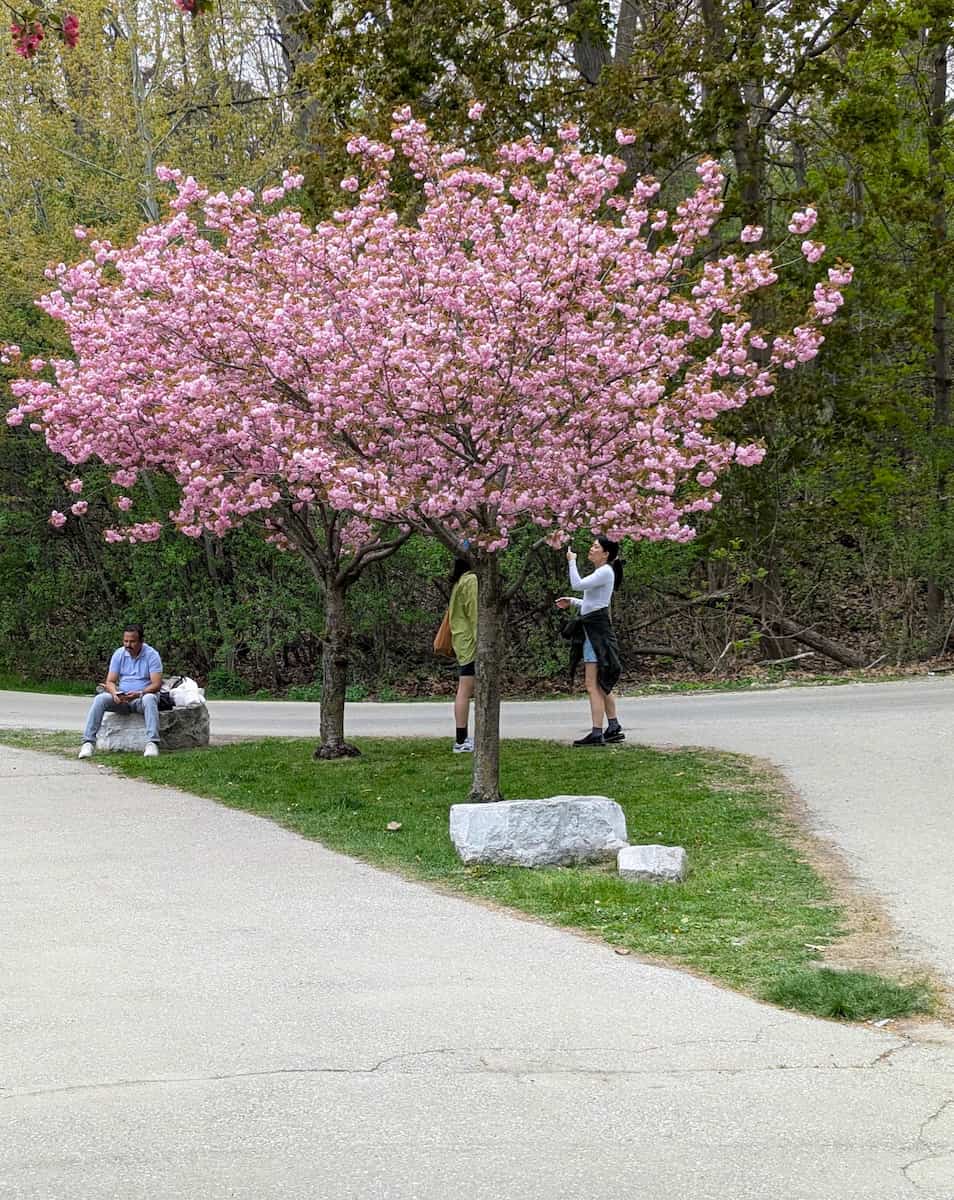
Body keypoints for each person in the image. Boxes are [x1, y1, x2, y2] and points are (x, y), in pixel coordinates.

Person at [556, 537, 624, 746]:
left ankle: (596, 732)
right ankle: (612, 726)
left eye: (596, 547)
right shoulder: (602, 572)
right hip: (594, 628)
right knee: (601, 684)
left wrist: (571, 560)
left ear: (606, 554)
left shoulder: (604, 571)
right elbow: (594, 603)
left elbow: (577, 584)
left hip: (595, 632)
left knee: (592, 684)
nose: (591, 549)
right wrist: (573, 601)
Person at [78, 624, 164, 759]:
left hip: (141, 698)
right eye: (125, 641)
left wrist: (139, 693)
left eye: (132, 641)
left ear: (141, 641)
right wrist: (114, 693)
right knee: (100, 699)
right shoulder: (119, 654)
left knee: (150, 698)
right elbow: (110, 681)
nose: (128, 645)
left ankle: (152, 743)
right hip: (123, 698)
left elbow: (157, 684)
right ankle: (88, 742)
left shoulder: (152, 655)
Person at [448, 556, 477, 753]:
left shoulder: (461, 580)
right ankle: (461, 739)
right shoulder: (471, 581)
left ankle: (462, 738)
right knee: (465, 689)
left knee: (465, 689)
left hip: (462, 641)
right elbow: (475, 614)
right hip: (470, 644)